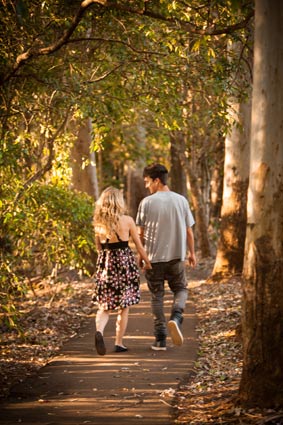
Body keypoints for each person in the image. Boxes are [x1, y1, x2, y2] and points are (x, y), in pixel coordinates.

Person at [136, 163, 197, 351]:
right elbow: (189, 231)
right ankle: (176, 317)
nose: (147, 186)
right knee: (181, 289)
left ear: (156, 180)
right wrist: (192, 253)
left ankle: (160, 339)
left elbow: (140, 234)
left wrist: (142, 255)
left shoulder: (147, 203)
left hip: (154, 259)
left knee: (157, 296)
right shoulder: (181, 201)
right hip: (176, 257)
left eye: (147, 182)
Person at [92, 186, 151, 356]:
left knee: (104, 306)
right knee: (124, 306)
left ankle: (100, 332)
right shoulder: (127, 220)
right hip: (124, 266)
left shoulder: (98, 223)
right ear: (119, 201)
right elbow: (139, 246)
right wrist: (147, 262)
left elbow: (98, 248)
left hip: (106, 265)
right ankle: (119, 343)